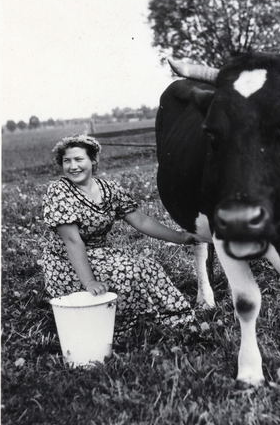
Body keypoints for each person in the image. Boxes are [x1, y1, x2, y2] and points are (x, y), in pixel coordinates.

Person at [41, 134, 196, 334]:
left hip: (98, 253)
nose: (73, 166)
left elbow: (140, 220)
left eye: (79, 159)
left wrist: (181, 237)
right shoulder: (59, 191)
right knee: (124, 272)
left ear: (93, 161)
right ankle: (125, 330)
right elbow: (72, 241)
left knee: (147, 266)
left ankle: (172, 318)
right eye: (66, 161)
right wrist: (89, 282)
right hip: (66, 261)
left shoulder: (110, 189)